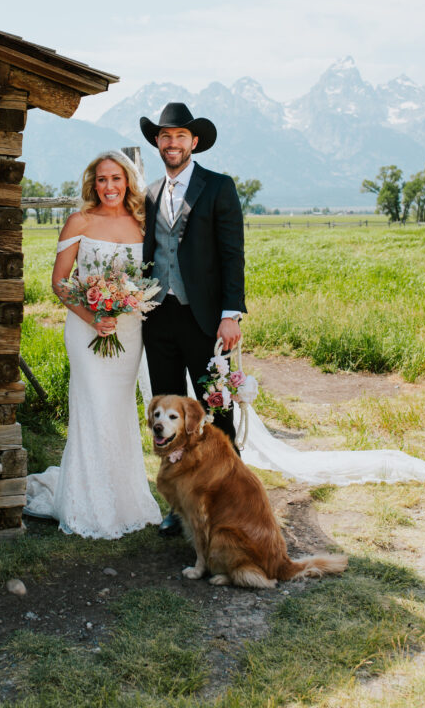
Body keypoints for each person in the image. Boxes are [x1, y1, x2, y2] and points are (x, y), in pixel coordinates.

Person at [24, 150, 162, 539]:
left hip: (129, 329)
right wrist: (92, 316)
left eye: (116, 179)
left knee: (119, 409)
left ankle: (124, 498)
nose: (109, 187)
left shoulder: (142, 224)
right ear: (92, 183)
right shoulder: (79, 221)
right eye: (101, 179)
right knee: (92, 407)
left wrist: (123, 307)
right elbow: (60, 282)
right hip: (87, 330)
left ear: (128, 182)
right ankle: (86, 501)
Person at [139, 102, 247, 535]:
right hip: (158, 319)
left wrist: (230, 315)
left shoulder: (217, 187)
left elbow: (231, 254)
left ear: (193, 142)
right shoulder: (148, 193)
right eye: (165, 136)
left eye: (180, 136)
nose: (172, 143)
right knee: (168, 417)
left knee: (215, 411)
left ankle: (234, 501)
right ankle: (179, 506)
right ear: (158, 143)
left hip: (204, 319)